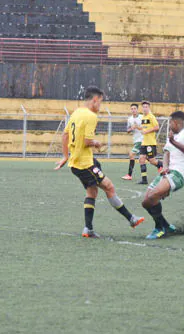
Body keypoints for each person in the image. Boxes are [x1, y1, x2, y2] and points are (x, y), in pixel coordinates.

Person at [54, 86, 144, 238]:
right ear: (94, 100)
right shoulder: (90, 116)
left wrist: (65, 156)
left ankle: (88, 229)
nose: (100, 106)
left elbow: (65, 135)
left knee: (92, 191)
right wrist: (96, 143)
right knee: (109, 186)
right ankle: (131, 219)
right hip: (84, 164)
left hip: (79, 162)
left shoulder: (77, 112)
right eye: (100, 102)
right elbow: (87, 140)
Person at [142, 111, 184, 239]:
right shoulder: (172, 136)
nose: (169, 126)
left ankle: (159, 228)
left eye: (170, 123)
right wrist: (165, 167)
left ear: (176, 122)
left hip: (178, 174)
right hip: (168, 172)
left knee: (153, 196)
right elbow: (167, 153)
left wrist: (174, 142)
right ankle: (165, 225)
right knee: (146, 201)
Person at [138, 101, 163, 185]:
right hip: (143, 143)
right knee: (141, 159)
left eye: (146, 107)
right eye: (143, 107)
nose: (144, 108)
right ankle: (144, 179)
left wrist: (147, 131)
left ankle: (162, 165)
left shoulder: (151, 117)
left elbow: (157, 127)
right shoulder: (142, 118)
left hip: (150, 143)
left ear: (149, 108)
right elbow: (143, 129)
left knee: (152, 161)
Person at [121, 103, 143, 180]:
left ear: (137, 109)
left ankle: (129, 175)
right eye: (132, 109)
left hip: (141, 140)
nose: (133, 110)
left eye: (135, 108)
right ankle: (160, 166)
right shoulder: (129, 119)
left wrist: (137, 127)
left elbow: (146, 128)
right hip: (136, 140)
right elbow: (127, 130)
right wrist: (131, 128)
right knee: (150, 159)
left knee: (131, 154)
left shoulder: (142, 117)